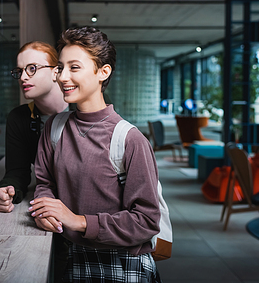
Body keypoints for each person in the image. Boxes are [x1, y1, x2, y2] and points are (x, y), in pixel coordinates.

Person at [28, 27, 162, 282]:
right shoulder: (54, 127)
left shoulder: (130, 139)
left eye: (74, 67)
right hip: (70, 256)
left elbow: (146, 221)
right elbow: (45, 183)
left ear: (103, 71)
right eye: (60, 67)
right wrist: (46, 211)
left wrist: (79, 222)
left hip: (121, 264)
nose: (62, 77)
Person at [0, 41, 68, 213]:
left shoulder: (86, 106)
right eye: (20, 71)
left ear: (55, 72)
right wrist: (7, 190)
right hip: (46, 202)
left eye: (32, 68)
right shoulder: (19, 118)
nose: (23, 77)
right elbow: (18, 171)